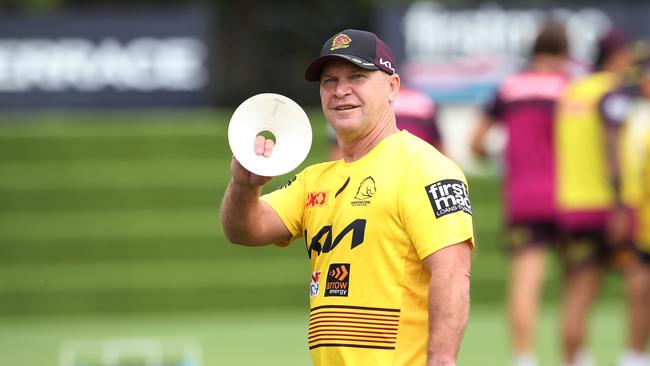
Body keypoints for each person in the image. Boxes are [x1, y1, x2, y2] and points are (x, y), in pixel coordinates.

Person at [220, 29, 474, 366]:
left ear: (393, 87)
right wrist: (243, 185)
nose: (341, 91)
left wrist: (442, 360)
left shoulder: (425, 168)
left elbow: (453, 272)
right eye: (329, 81)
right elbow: (243, 230)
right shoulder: (315, 179)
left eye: (357, 76)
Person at [470, 24, 570, 366]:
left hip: (524, 197)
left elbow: (476, 143)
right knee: (577, 281)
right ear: (566, 51)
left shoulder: (509, 87)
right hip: (571, 197)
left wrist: (505, 158)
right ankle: (575, 356)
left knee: (525, 284)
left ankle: (524, 358)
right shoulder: (569, 86)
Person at [554, 28, 635, 366]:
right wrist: (619, 203)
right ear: (616, 57)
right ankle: (632, 356)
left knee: (574, 292)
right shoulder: (609, 93)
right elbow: (612, 147)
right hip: (601, 206)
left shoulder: (572, 92)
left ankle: (576, 359)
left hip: (570, 204)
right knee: (610, 288)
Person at [616, 53, 650, 366]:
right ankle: (633, 356)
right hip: (645, 225)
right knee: (639, 292)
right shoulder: (638, 119)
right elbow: (631, 178)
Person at [328, 85, 443, 160]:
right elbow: (439, 144)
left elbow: (337, 151)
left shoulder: (350, 106)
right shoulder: (422, 99)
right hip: (419, 160)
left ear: (393, 84)